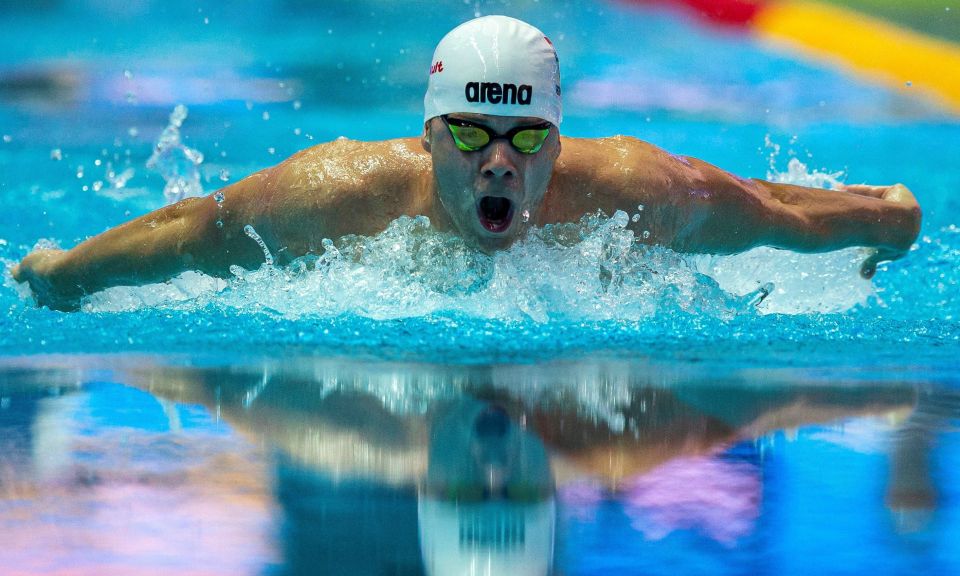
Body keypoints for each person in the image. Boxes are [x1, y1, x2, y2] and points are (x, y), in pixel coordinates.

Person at [12, 16, 921, 311]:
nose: (498, 163)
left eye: (526, 139)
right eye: (470, 135)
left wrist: (890, 215)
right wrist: (63, 274)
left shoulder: (641, 193)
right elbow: (190, 232)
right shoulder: (335, 197)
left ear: (558, 146)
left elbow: (773, 211)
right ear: (424, 140)